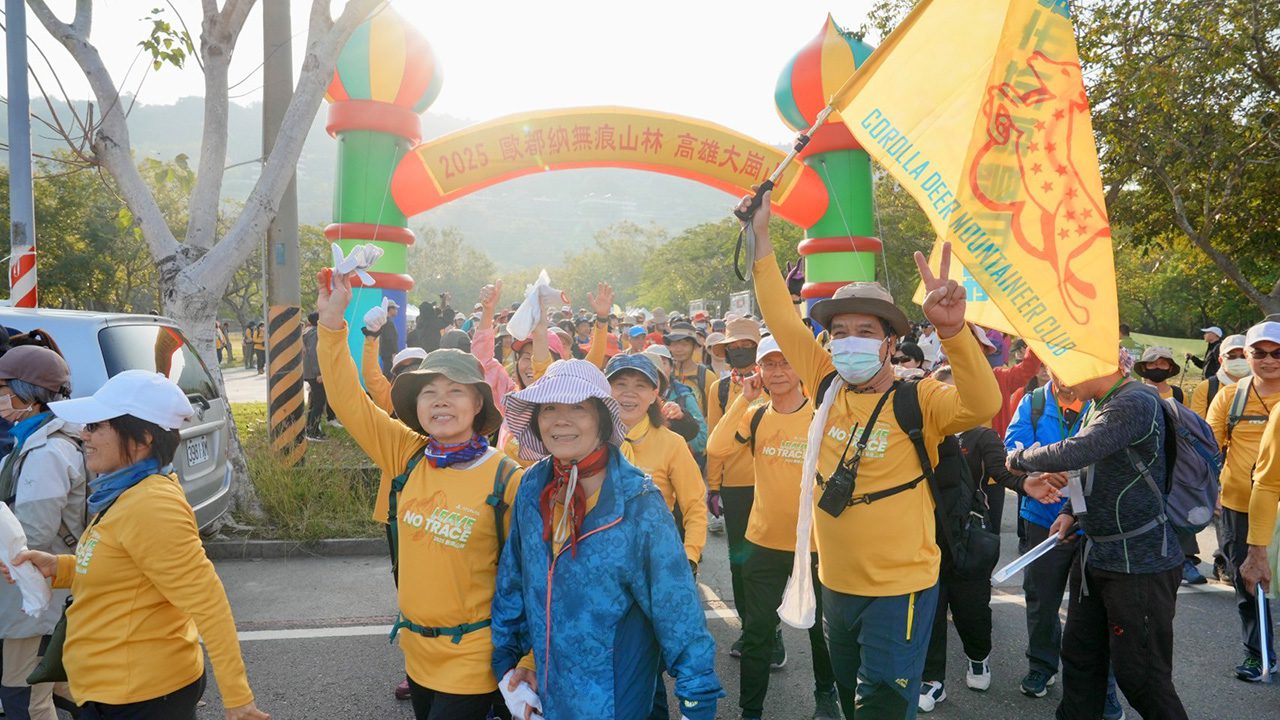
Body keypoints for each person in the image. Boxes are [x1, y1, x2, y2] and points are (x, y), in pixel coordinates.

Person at [743, 191, 1001, 717]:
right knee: (849, 697)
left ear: (889, 343)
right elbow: (781, 317)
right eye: (839, 333)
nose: (849, 342)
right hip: (834, 583)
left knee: (881, 703)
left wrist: (953, 331)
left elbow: (983, 404)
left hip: (899, 589)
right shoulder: (825, 383)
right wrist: (760, 235)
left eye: (865, 332)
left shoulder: (919, 398)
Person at [315, 267, 522, 720]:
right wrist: (331, 324)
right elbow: (348, 400)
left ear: (479, 404)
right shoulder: (407, 454)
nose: (441, 400)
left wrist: (525, 660)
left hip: (474, 655)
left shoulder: (507, 478)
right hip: (416, 654)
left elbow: (531, 574)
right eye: (430, 391)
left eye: (455, 391)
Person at [6, 370, 268, 719]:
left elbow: (209, 604)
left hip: (141, 697)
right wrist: (59, 567)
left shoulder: (151, 505)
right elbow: (123, 570)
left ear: (143, 438)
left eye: (96, 426)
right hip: (115, 691)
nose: (83, 434)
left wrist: (238, 700)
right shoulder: (127, 490)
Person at [490, 359, 723, 719]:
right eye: (549, 408)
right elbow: (515, 580)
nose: (561, 420)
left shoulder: (638, 502)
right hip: (548, 694)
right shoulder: (533, 486)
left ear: (601, 418)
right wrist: (515, 660)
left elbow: (677, 609)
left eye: (578, 408)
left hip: (615, 702)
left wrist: (698, 702)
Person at [1006, 353, 1188, 720]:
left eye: (1063, 369)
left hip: (1138, 562)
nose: (1058, 380)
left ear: (1092, 364)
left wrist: (1020, 459)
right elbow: (1088, 470)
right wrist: (1069, 512)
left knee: (1142, 679)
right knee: (1081, 660)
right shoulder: (1099, 402)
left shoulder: (1135, 400)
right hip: (1095, 556)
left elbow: (1079, 450)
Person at [706, 336, 841, 720]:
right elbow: (716, 449)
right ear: (759, 371)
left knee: (820, 632)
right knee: (757, 633)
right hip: (763, 542)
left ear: (800, 369)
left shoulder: (822, 415)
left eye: (785, 363)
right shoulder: (755, 415)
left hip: (814, 545)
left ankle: (825, 696)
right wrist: (743, 399)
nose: (778, 372)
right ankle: (751, 711)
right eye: (769, 365)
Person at [920, 365, 1047, 714]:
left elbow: (1001, 471)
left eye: (957, 394)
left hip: (967, 539)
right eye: (942, 393)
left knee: (971, 609)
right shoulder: (919, 433)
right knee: (930, 611)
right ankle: (932, 680)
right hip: (923, 538)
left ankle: (978, 658)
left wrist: (1025, 484)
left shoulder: (980, 436)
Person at [1001, 368, 1123, 717]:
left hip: (1094, 522)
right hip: (1042, 516)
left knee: (1101, 609)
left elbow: (1113, 455)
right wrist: (1042, 468)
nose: (1067, 376)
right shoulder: (1034, 402)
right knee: (1041, 597)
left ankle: (1104, 687)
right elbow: (1014, 449)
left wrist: (1070, 467)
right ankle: (1041, 665)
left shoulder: (1105, 403)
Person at [0, 346, 85, 719]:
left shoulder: (47, 453)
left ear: (29, 396)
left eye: (3, 390)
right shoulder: (31, 442)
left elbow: (33, 534)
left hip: (35, 592)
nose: (1, 400)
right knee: (60, 686)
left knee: (25, 699)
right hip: (36, 589)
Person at [1206, 320, 1280, 681]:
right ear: (1247, 356)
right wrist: (1211, 492)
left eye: (1277, 353)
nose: (1269, 360)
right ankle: (1258, 653)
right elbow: (1207, 448)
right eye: (1260, 353)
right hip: (1238, 503)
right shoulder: (1230, 396)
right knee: (1247, 579)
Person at [704, 317, 763, 658]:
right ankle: (749, 628)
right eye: (734, 347)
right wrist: (714, 486)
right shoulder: (720, 389)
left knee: (769, 563)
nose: (740, 351)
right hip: (735, 487)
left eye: (747, 346)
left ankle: (770, 629)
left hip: (774, 483)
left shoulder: (777, 379)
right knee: (739, 563)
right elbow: (715, 438)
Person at [643, 345, 708, 462]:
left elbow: (700, 434)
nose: (650, 382)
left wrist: (683, 448)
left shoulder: (683, 395)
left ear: (671, 367)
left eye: (663, 362)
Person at [1190, 334, 1249, 419]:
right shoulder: (1206, 388)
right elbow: (1197, 424)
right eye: (1231, 356)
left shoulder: (1262, 387)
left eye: (1244, 356)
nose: (1238, 360)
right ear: (1221, 360)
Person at [667, 322, 714, 416]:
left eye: (684, 344)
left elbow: (713, 414)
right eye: (674, 344)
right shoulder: (665, 374)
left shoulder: (707, 377)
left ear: (694, 346)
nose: (678, 349)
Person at [302, 312, 329, 442]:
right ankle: (312, 432)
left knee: (315, 402)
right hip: (315, 374)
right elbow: (314, 353)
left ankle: (311, 429)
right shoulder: (316, 333)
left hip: (312, 372)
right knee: (319, 402)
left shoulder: (310, 331)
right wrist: (319, 373)